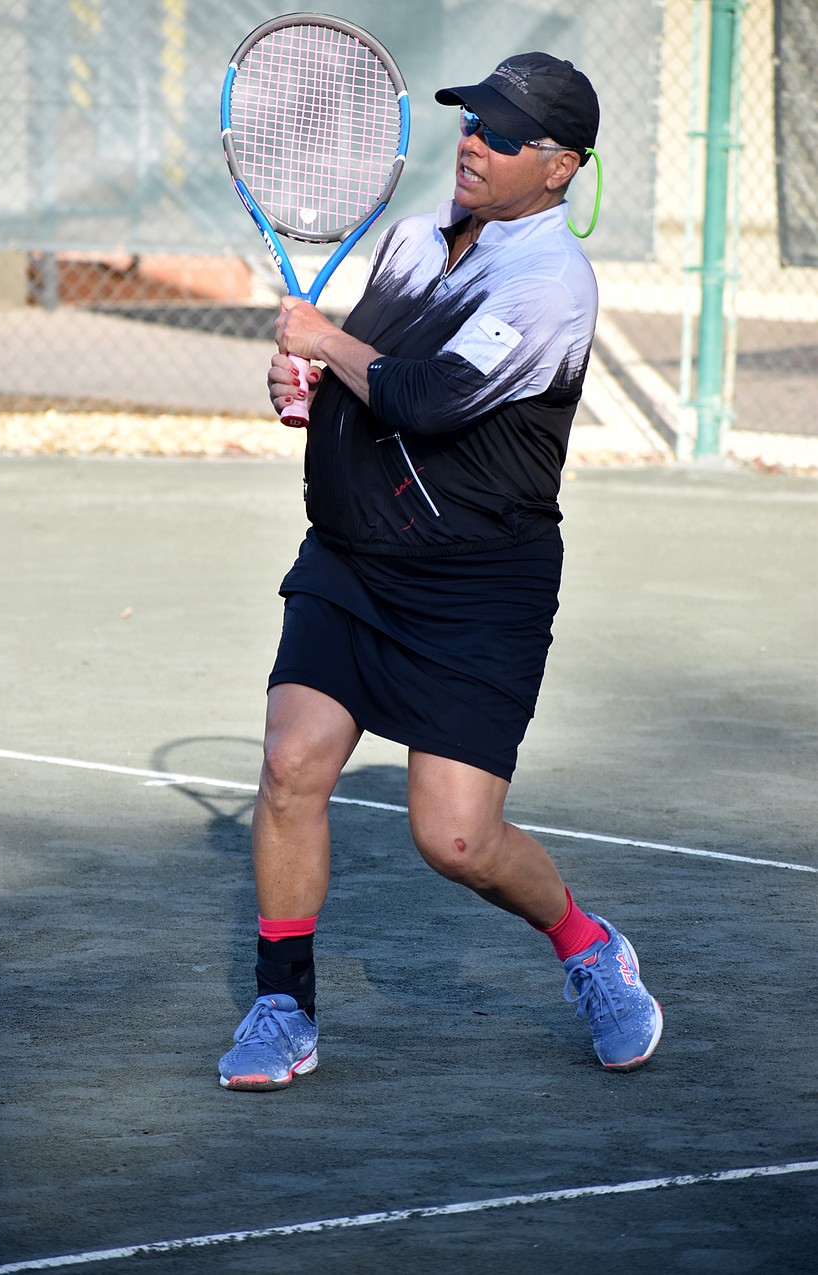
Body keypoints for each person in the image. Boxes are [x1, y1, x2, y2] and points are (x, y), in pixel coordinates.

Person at [218, 51, 663, 1090]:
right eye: (470, 122)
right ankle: (283, 1005)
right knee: (291, 765)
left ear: (560, 167)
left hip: (477, 586)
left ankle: (588, 947)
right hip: (351, 557)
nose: (473, 143)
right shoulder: (415, 238)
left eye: (502, 134)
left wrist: (325, 340)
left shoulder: (551, 283)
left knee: (457, 839)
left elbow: (429, 398)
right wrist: (304, 382)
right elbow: (368, 375)